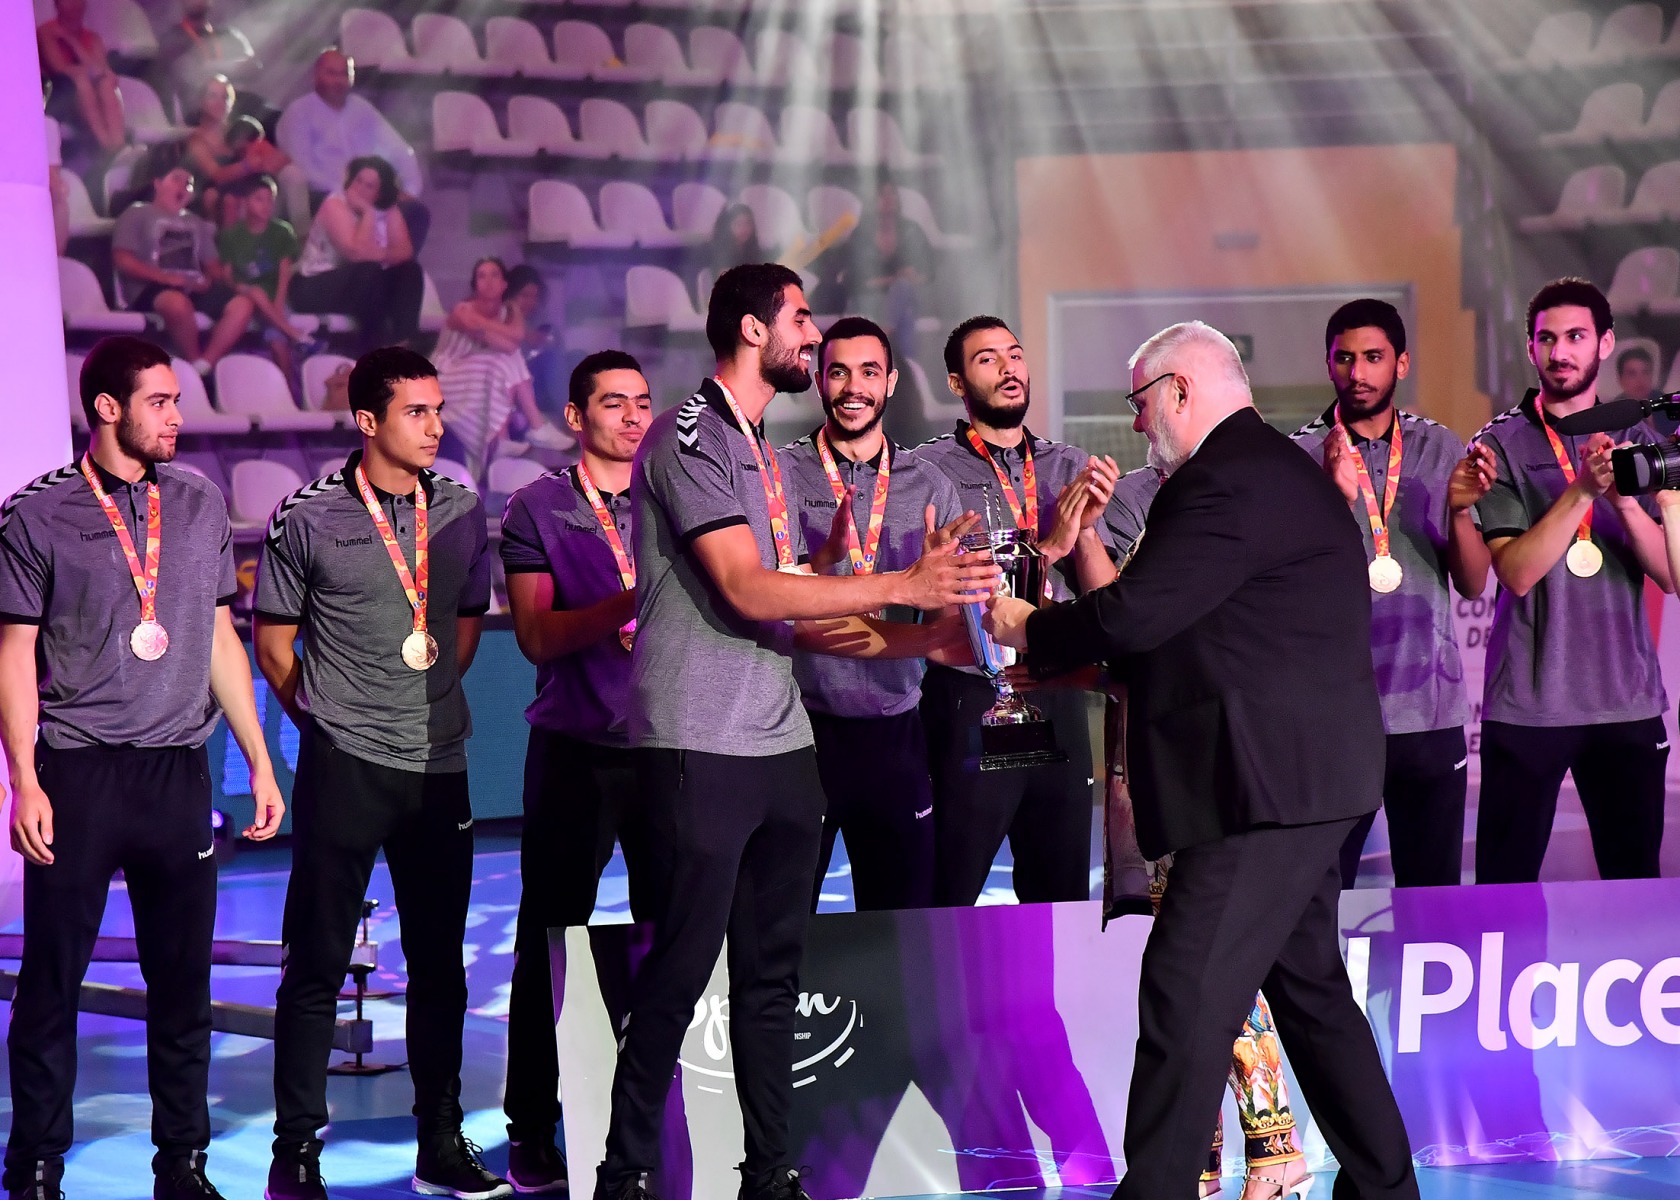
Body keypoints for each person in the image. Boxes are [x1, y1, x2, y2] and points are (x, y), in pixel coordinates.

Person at [984, 320, 1418, 1200]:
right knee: (1311, 997)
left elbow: (1136, 616)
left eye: (1140, 402)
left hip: (1265, 790)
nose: (1137, 423)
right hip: (1294, 780)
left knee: (1185, 993)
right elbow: (1185, 632)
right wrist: (1075, 650)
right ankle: (1386, 1189)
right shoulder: (1267, 471)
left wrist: (1030, 626)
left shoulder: (1225, 481)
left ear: (1179, 389)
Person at [594, 263, 994, 1200]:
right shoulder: (688, 435)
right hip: (698, 741)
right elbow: (745, 589)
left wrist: (929, 638)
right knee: (681, 971)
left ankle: (768, 1171)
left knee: (773, 974)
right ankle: (626, 1172)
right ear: (751, 327)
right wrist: (902, 583)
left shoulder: (765, 455)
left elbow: (796, 607)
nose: (813, 337)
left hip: (782, 745)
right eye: (801, 319)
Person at [0, 336, 284, 1200]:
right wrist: (24, 781)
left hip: (176, 774)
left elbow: (220, 637)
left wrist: (259, 761)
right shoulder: (37, 513)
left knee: (183, 984)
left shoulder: (198, 501)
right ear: (107, 408)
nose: (178, 417)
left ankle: (183, 1164)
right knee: (52, 981)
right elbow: (12, 653)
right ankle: (36, 1165)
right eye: (160, 401)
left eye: (178, 399)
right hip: (78, 773)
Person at [253, 348, 506, 1200]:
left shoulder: (462, 509)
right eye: (416, 412)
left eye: (438, 410)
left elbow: (463, 628)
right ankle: (295, 1155)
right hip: (345, 766)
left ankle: (440, 1138)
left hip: (440, 764)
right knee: (316, 965)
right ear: (368, 421)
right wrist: (330, 723)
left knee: (441, 966)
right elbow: (273, 646)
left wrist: (419, 700)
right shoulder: (306, 516)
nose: (436, 426)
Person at [497, 351, 657, 1195]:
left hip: (669, 750)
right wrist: (634, 601)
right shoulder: (538, 506)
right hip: (575, 752)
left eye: (642, 402)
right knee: (548, 940)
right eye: (613, 402)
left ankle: (669, 1114)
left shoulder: (674, 498)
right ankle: (530, 1128)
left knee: (675, 937)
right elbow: (535, 636)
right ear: (574, 416)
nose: (632, 417)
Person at [1470, 277, 1673, 884]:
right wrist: (1582, 488)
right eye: (1547, 339)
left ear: (1605, 343)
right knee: (1504, 892)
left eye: (1576, 337)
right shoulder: (1498, 444)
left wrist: (1625, 502)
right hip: (1529, 705)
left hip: (1626, 700)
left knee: (1633, 884)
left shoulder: (1643, 439)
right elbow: (1517, 573)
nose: (1560, 352)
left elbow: (1670, 575)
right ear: (1531, 347)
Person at [913, 315, 1118, 908]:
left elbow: (1104, 603)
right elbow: (931, 596)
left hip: (1055, 691)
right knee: (948, 896)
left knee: (1059, 899)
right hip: (968, 698)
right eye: (987, 359)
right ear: (956, 383)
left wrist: (1085, 533)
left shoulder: (1067, 465)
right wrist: (1048, 544)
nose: (1008, 369)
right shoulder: (926, 471)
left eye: (1015, 355)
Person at [1290, 299, 1494, 887]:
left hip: (1430, 713)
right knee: (1321, 897)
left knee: (1431, 896)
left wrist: (1460, 511)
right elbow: (1291, 593)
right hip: (1335, 718)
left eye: (1373, 357)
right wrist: (1330, 498)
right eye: (1345, 358)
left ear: (1401, 363)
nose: (1357, 372)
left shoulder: (1441, 448)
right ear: (1328, 364)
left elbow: (1474, 582)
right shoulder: (1297, 456)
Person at [779, 316, 963, 910]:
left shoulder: (930, 485)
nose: (853, 387)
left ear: (891, 383)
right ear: (818, 380)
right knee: (783, 920)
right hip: (797, 732)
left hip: (896, 732)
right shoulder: (780, 475)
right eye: (838, 372)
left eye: (868, 372)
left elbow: (957, 620)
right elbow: (777, 615)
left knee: (901, 921)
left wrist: (946, 590)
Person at [111, 153, 256, 375]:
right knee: (177, 304)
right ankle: (194, 360)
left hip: (191, 286)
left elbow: (213, 265)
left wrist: (211, 278)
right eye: (176, 179)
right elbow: (122, 259)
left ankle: (203, 366)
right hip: (152, 286)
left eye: (188, 183)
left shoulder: (195, 222)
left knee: (242, 304)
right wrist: (165, 278)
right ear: (158, 184)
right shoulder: (136, 213)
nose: (183, 187)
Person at [434, 256, 574, 483]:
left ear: (503, 284)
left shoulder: (504, 314)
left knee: (507, 359)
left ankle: (506, 438)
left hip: (482, 372)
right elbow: (511, 341)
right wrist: (497, 322)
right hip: (449, 375)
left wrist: (511, 312)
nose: (489, 282)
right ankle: (534, 427)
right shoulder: (463, 311)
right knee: (505, 358)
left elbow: (510, 343)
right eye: (482, 276)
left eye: (494, 276)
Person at [276, 50, 431, 251]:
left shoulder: (361, 108)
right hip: (325, 195)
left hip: (368, 192)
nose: (338, 81)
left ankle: (395, 267)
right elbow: (304, 168)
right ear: (316, 76)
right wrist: (349, 193)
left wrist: (409, 189)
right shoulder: (299, 112)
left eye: (344, 74)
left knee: (416, 212)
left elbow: (399, 150)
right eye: (331, 73)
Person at [289, 156, 423, 354]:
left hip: (359, 285)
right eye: (358, 180)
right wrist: (368, 213)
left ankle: (401, 346)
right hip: (312, 285)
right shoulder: (334, 204)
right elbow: (355, 253)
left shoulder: (389, 210)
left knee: (409, 271)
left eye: (369, 186)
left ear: (379, 193)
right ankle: (371, 350)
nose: (359, 188)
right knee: (369, 271)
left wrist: (377, 253)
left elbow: (405, 252)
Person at [217, 174, 321, 381]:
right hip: (245, 296)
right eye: (259, 199)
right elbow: (227, 274)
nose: (266, 206)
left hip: (273, 296)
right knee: (255, 292)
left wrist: (278, 304)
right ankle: (297, 336)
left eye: (270, 200)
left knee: (278, 343)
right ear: (246, 202)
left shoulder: (282, 231)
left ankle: (288, 390)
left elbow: (284, 273)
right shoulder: (231, 235)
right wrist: (239, 287)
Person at [184, 76, 309, 233]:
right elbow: (216, 175)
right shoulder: (196, 139)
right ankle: (234, 245)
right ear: (201, 101)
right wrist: (249, 164)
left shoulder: (242, 128)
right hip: (217, 189)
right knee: (223, 199)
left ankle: (302, 236)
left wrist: (267, 159)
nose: (220, 102)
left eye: (225, 97)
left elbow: (275, 156)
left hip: (252, 181)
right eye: (213, 96)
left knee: (292, 173)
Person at [829, 182, 932, 362]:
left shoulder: (912, 230)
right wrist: (889, 280)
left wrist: (914, 277)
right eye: (882, 195)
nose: (888, 199)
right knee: (904, 312)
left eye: (892, 194)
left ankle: (884, 336)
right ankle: (906, 365)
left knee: (903, 290)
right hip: (869, 296)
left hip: (903, 296)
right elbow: (852, 278)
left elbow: (929, 273)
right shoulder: (861, 233)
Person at [37, 0, 126, 153]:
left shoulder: (93, 38)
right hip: (56, 96)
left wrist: (73, 42)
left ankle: (118, 145)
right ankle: (107, 146)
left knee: (106, 83)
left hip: (90, 97)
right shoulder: (46, 32)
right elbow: (59, 69)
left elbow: (103, 72)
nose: (75, 4)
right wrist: (88, 71)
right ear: (57, 5)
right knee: (81, 78)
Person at [150, 0, 260, 122]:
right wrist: (231, 67)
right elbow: (188, 74)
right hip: (196, 116)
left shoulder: (228, 34)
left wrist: (211, 66)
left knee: (266, 112)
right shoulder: (173, 39)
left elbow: (254, 66)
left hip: (235, 113)